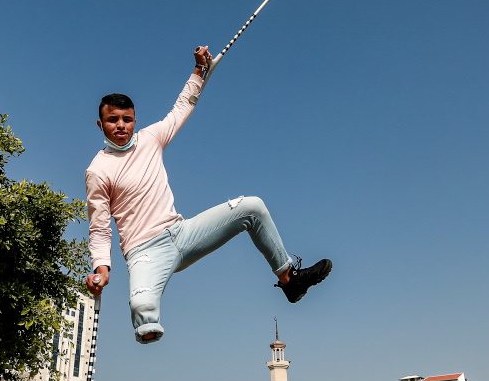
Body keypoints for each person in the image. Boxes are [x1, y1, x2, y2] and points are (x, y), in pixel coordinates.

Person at [85, 46, 332, 343]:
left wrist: (199, 70)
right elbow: (99, 226)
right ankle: (148, 329)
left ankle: (290, 280)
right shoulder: (98, 169)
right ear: (101, 124)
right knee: (143, 309)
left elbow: (182, 107)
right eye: (113, 120)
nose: (121, 126)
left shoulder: (150, 139)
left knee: (252, 207)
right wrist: (102, 269)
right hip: (144, 253)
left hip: (183, 233)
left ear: (135, 120)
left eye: (127, 119)